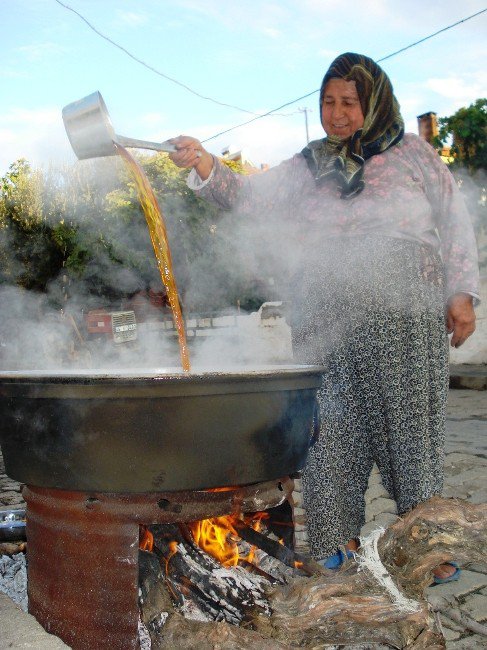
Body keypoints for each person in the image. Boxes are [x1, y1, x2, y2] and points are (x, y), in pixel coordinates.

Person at [169, 52, 479, 584]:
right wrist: (203, 162)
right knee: (331, 428)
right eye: (328, 102)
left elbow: (454, 221)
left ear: (374, 103)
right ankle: (338, 545)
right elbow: (248, 196)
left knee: (411, 431)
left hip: (402, 307)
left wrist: (462, 294)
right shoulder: (310, 164)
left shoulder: (413, 154)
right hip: (322, 310)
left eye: (349, 103)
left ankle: (426, 547)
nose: (337, 115)